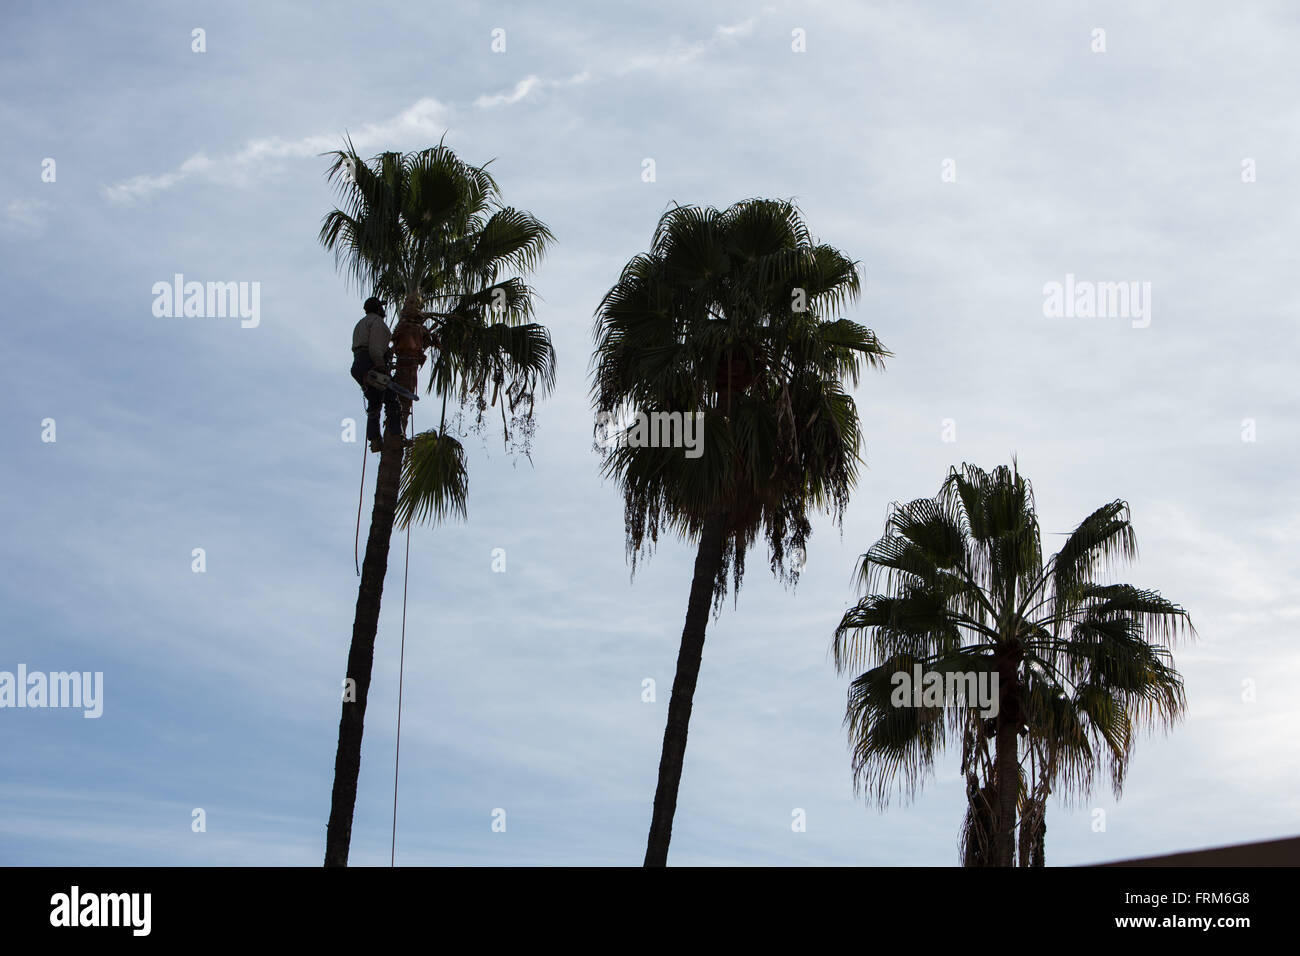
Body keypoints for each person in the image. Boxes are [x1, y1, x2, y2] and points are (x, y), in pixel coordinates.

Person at [350, 297, 396, 452]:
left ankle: (374, 439)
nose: (383, 310)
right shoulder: (377, 323)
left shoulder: (360, 323)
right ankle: (396, 435)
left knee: (375, 401)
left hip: (358, 365)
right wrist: (381, 366)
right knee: (391, 396)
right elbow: (375, 348)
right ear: (378, 309)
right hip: (370, 361)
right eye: (381, 307)